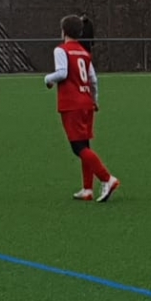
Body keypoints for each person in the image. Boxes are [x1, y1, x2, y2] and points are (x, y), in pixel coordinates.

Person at [45, 14, 119, 201]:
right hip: (86, 102)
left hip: (72, 104)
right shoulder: (84, 52)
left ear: (63, 31)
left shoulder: (61, 50)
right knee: (85, 145)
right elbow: (93, 79)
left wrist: (48, 79)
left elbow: (62, 73)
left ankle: (107, 179)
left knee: (77, 147)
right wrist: (94, 99)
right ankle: (87, 189)